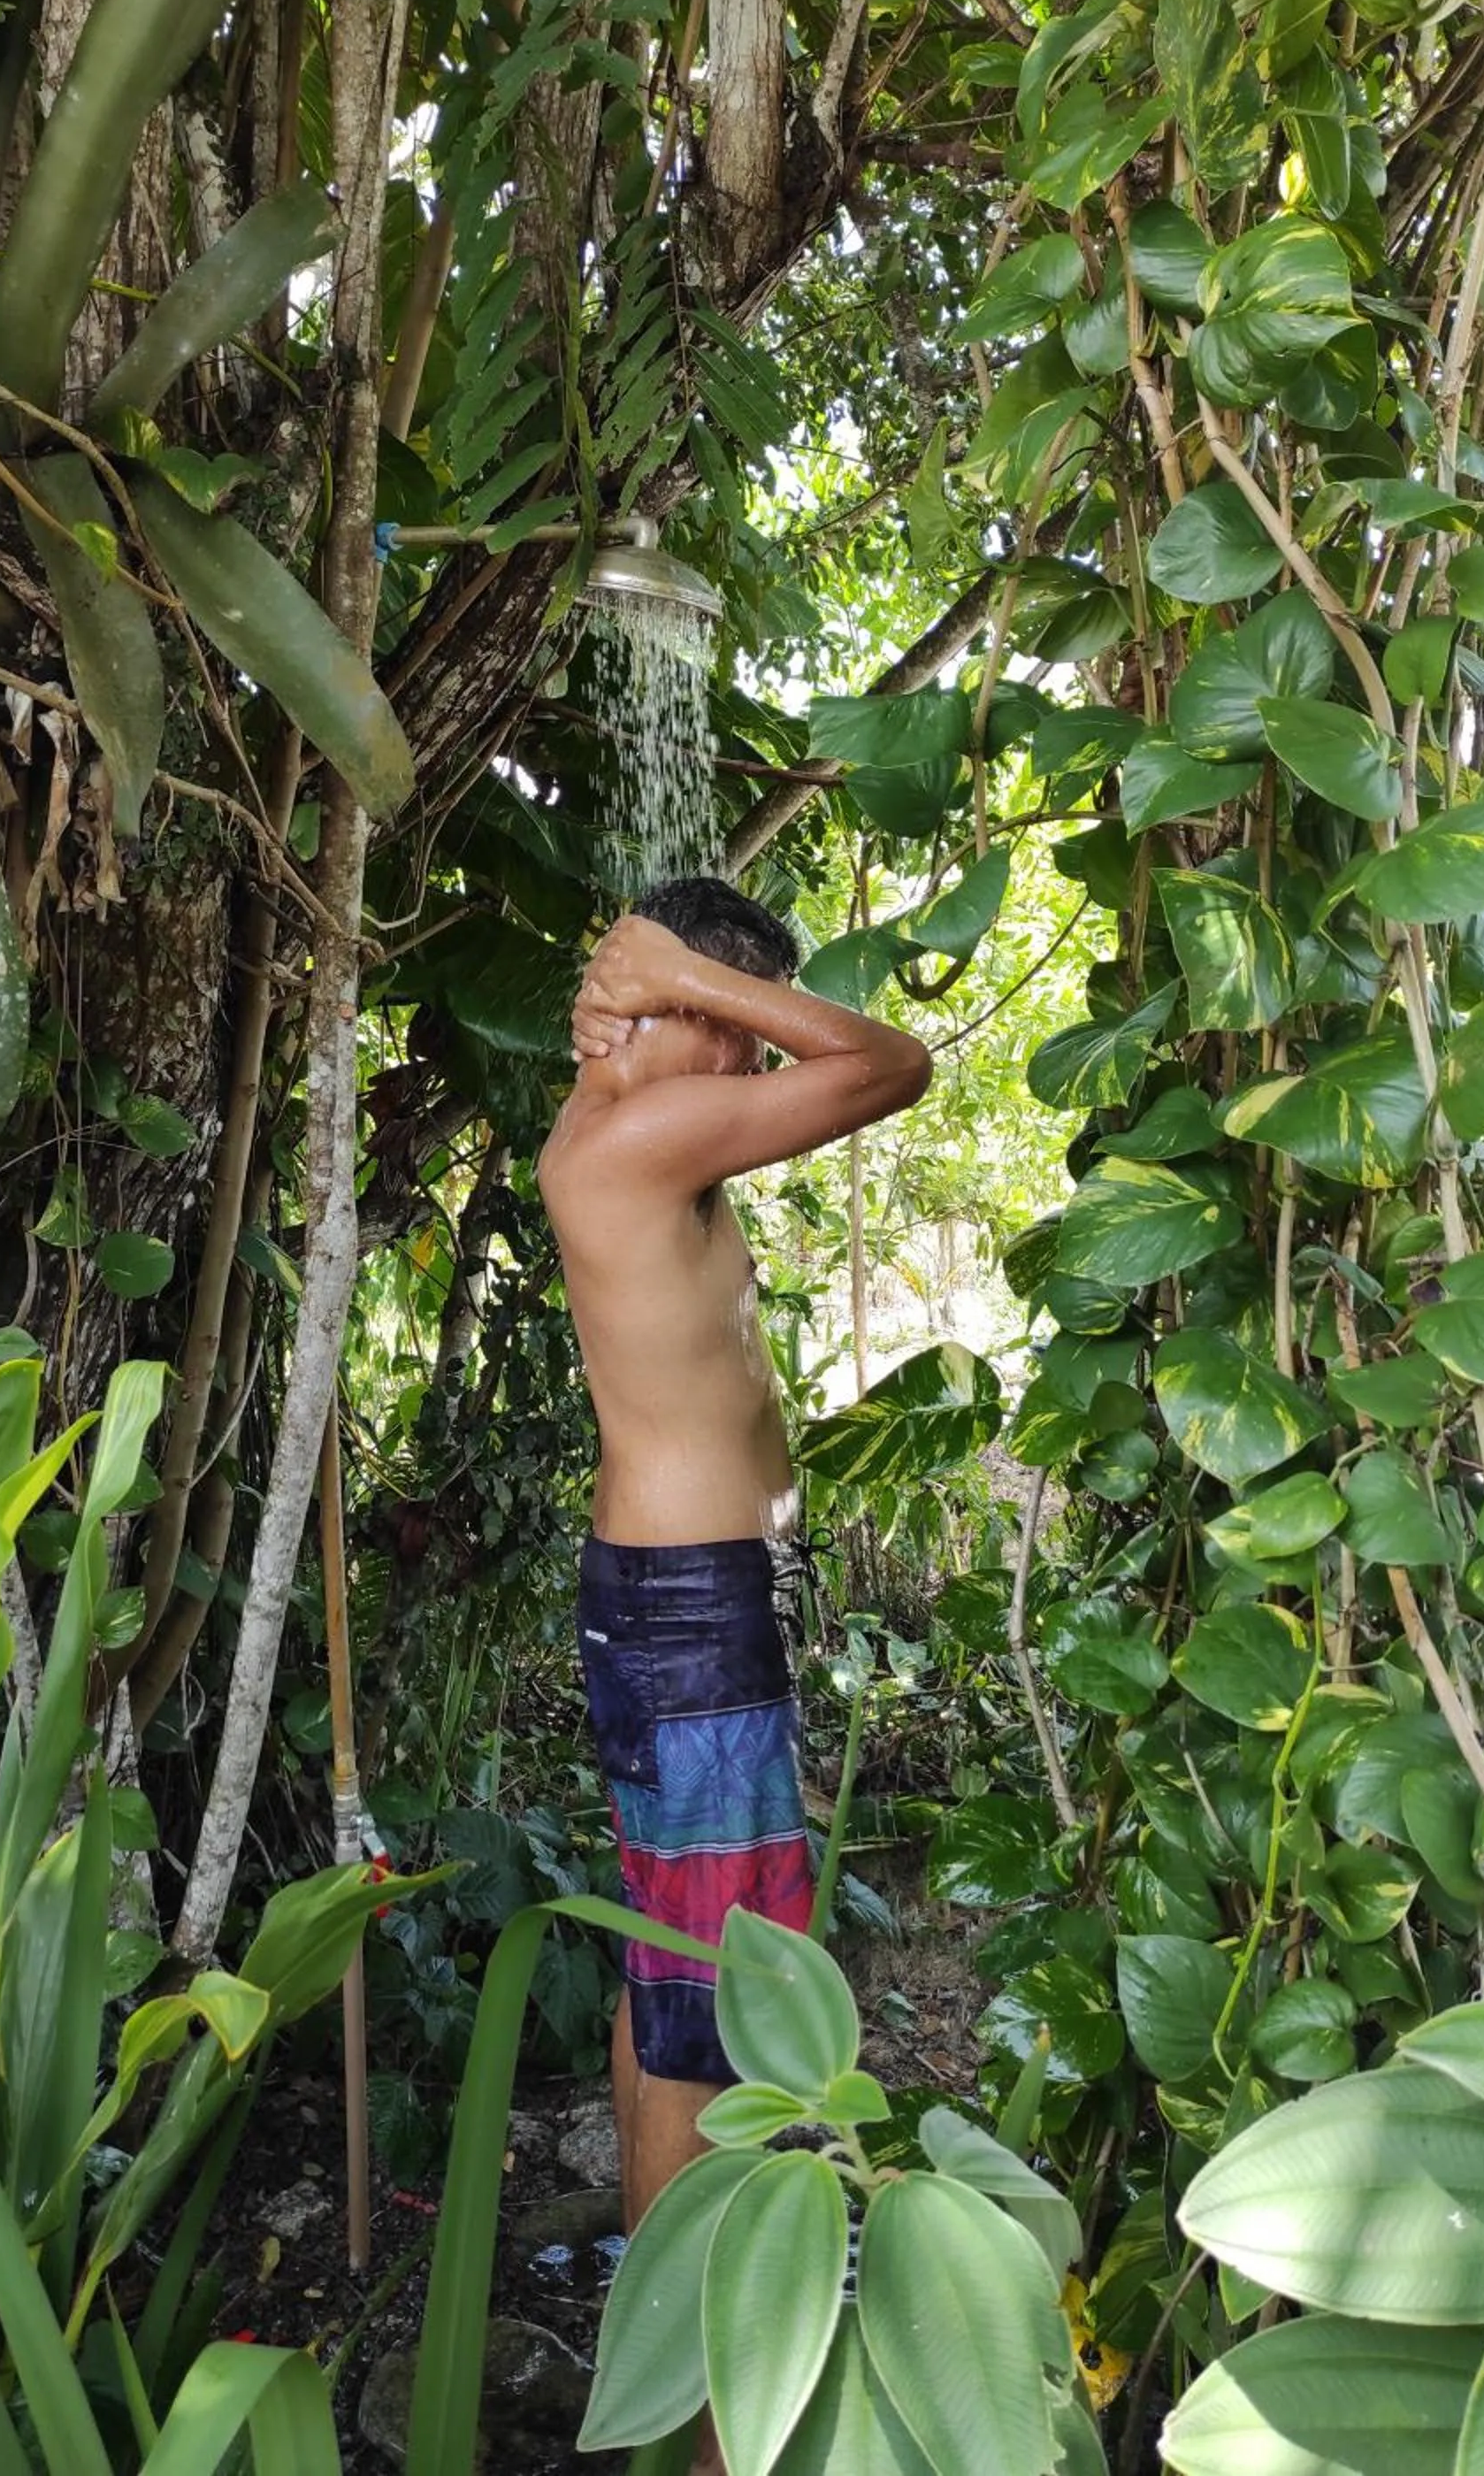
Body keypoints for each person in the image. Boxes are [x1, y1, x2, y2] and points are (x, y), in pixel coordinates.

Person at [537, 878, 932, 2249]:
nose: (757, 1067)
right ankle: (698, 2402)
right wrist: (680, 982)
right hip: (687, 1610)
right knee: (715, 1986)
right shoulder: (644, 1130)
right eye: (737, 1028)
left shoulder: (621, 1127)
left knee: (681, 1957)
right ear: (684, 1002)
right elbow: (892, 1065)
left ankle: (662, 2337)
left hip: (681, 1603)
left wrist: (663, 988)